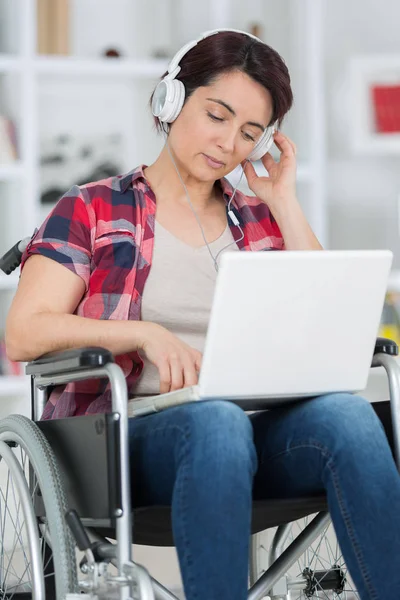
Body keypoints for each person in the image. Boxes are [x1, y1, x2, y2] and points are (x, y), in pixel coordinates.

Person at [5, 29, 400, 600]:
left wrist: (283, 200)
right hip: (136, 436)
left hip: (258, 432)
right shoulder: (93, 207)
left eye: (249, 133)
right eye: (217, 115)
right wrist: (142, 333)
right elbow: (23, 333)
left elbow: (328, 316)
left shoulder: (260, 221)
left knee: (351, 416)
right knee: (216, 423)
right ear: (173, 100)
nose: (228, 144)